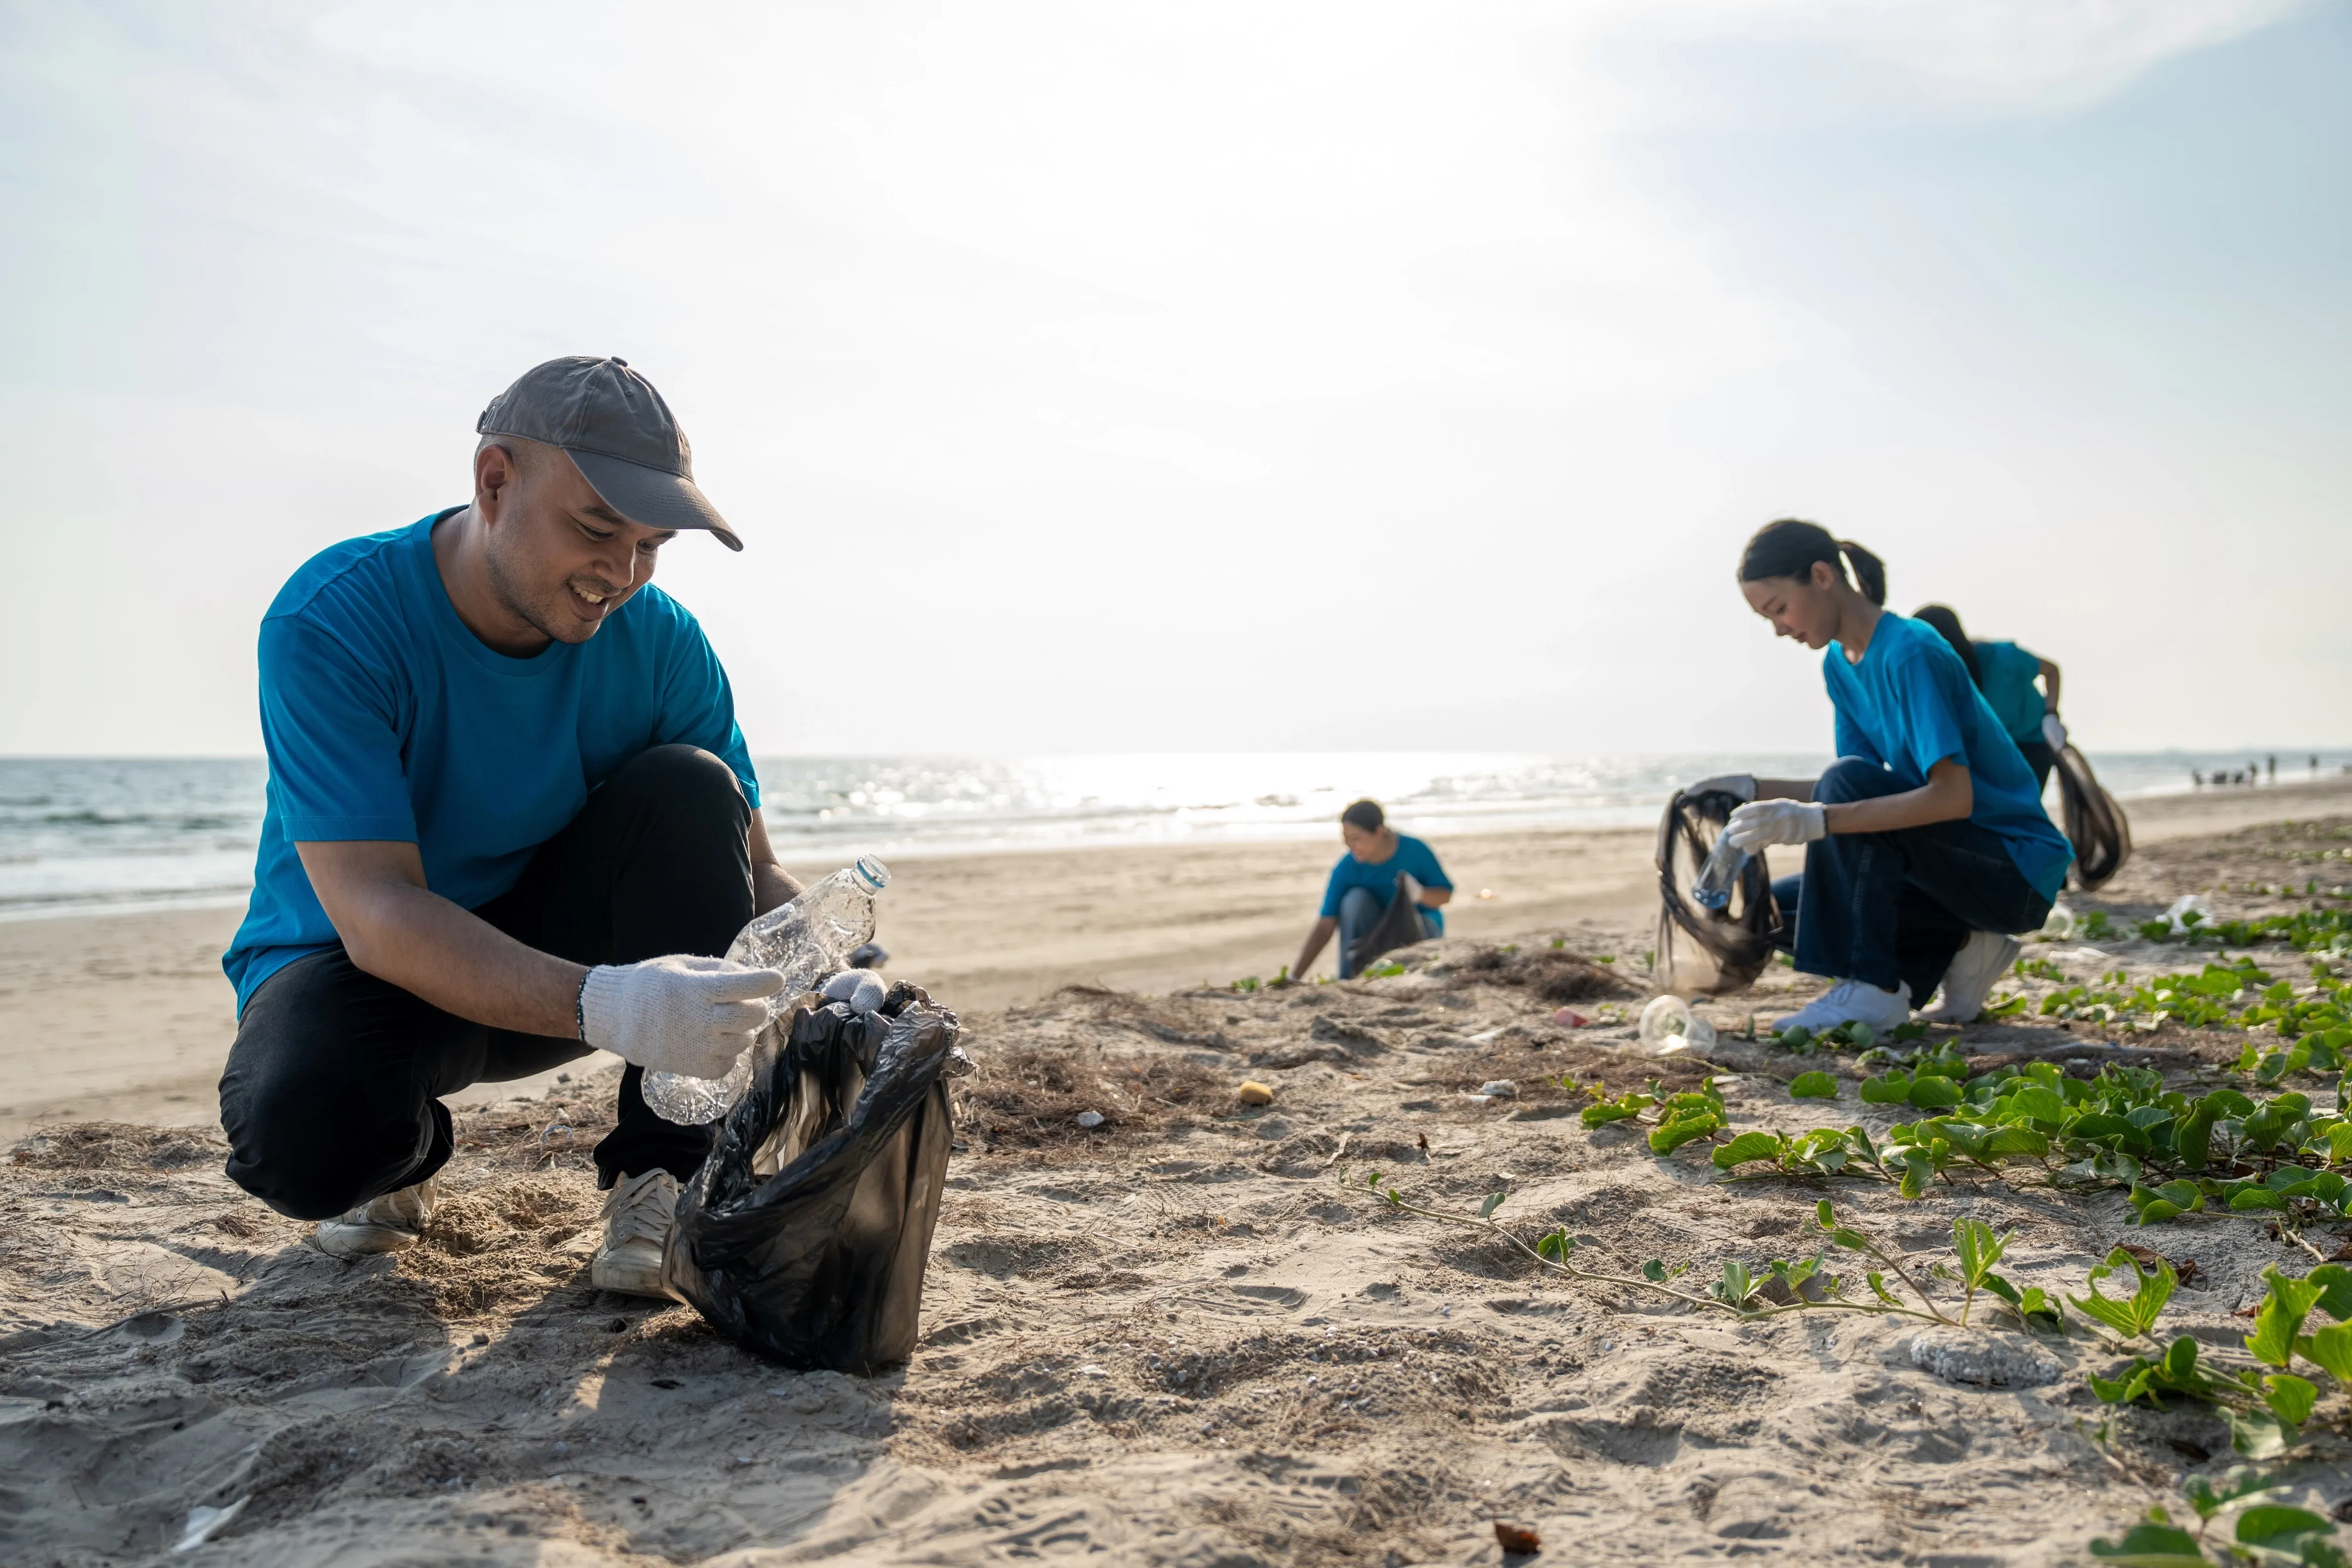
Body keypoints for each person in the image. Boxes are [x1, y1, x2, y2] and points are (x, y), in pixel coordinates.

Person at [216, 356, 799, 1298]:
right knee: (304, 1142)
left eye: (651, 543)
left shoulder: (662, 642)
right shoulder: (334, 618)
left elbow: (753, 871)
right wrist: (612, 1006)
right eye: (598, 527)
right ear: (495, 481)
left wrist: (830, 966)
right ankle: (407, 1157)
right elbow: (374, 909)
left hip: (566, 958)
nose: (622, 573)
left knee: (693, 787)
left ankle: (666, 1177)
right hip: (367, 970)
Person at [1684, 520, 2072, 1032]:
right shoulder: (1839, 666)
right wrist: (1750, 789)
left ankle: (1875, 989)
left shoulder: (1910, 649)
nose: (1780, 628)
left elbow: (1950, 797)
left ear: (1822, 575)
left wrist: (1813, 818)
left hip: (2013, 871)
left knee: (1840, 794)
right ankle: (1966, 943)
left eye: (1779, 608)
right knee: (1777, 909)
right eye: (1767, 618)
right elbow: (1858, 786)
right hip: (1952, 866)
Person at [1288, 800, 1453, 980]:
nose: (1349, 845)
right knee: (1355, 900)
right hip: (1373, 940)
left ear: (1379, 832)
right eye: (1346, 838)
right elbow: (1325, 925)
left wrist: (1421, 894)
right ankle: (1349, 977)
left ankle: (1419, 971)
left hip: (1419, 932)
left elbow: (1445, 896)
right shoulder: (1347, 867)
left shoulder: (1415, 850)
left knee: (1424, 922)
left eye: (1356, 838)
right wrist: (1294, 977)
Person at [1909, 604, 2066, 792]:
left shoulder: (2006, 658)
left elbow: (2052, 671)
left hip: (2030, 744)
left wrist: (2052, 714)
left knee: (2020, 809)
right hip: (1989, 750)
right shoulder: (1938, 680)